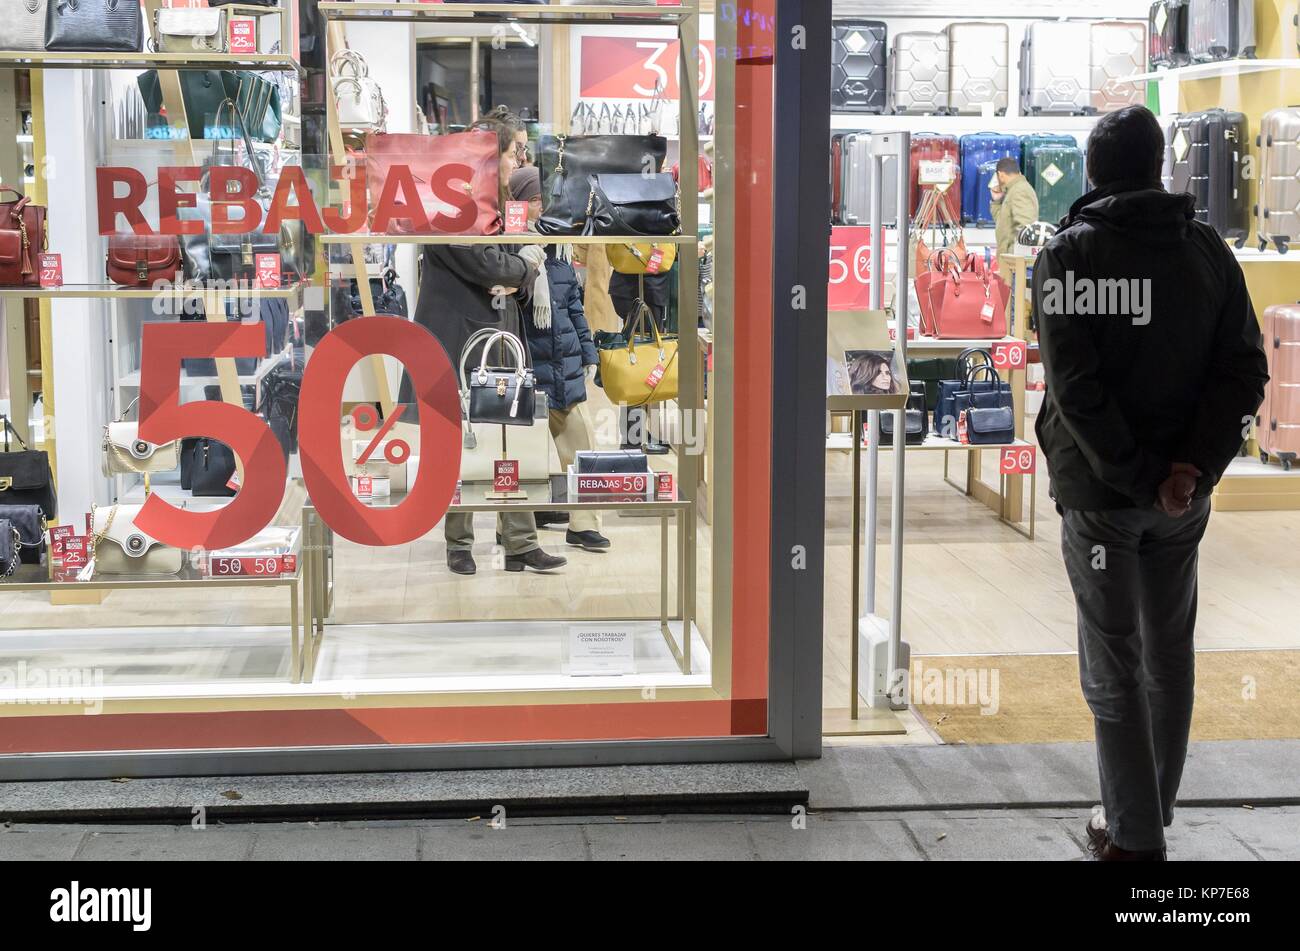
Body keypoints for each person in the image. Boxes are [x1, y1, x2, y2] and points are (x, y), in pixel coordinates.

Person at [1033, 105, 1268, 861]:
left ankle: (1135, 837)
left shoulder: (1068, 256)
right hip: (1182, 499)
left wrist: (1137, 476)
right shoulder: (1208, 250)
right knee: (1170, 650)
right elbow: (1245, 370)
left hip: (1104, 498)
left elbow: (1076, 388)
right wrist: (1189, 470)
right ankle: (1149, 811)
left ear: (1093, 171)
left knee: (1113, 662)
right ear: (1160, 163)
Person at [408, 107, 566, 576]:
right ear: (492, 152)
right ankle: (459, 541)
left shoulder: (498, 203)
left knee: (508, 434)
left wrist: (517, 270)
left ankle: (519, 541)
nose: (522, 160)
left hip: (498, 333)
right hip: (458, 335)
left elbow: (508, 258)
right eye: (517, 149)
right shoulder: (453, 198)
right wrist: (523, 270)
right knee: (460, 438)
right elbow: (491, 266)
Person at [510, 166, 610, 552]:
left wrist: (588, 353)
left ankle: (584, 523)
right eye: (532, 200)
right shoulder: (513, 250)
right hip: (528, 369)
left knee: (580, 450)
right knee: (522, 454)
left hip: (562, 366)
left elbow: (573, 308)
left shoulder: (560, 252)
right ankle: (519, 528)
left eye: (543, 200)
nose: (540, 208)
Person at [989, 155, 1040, 259]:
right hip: (1010, 261)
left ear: (1000, 175)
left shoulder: (1020, 191)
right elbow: (1001, 221)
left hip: (1015, 263)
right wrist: (996, 200)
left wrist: (1011, 255)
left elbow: (1026, 229)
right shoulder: (1013, 190)